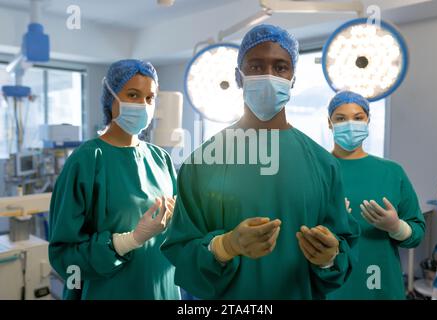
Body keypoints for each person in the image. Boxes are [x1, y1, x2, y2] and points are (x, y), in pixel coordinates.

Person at [161, 24, 360, 299]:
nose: (268, 76)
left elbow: (344, 247)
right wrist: (224, 246)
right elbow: (182, 252)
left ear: (293, 77)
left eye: (280, 67)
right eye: (255, 67)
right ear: (238, 77)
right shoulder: (202, 163)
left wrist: (329, 257)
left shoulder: (323, 164)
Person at [48, 59, 180, 300]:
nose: (143, 105)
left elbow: (178, 231)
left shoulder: (161, 159)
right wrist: (130, 240)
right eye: (132, 95)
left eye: (149, 98)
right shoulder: (87, 161)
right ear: (111, 98)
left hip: (163, 289)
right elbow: (64, 257)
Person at [326, 90, 425, 300]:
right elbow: (297, 228)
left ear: (368, 120)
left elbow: (417, 231)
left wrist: (397, 227)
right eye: (341, 118)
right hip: (331, 286)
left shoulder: (392, 172)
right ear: (329, 122)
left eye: (358, 117)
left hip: (381, 286)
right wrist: (330, 224)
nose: (350, 124)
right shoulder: (316, 170)